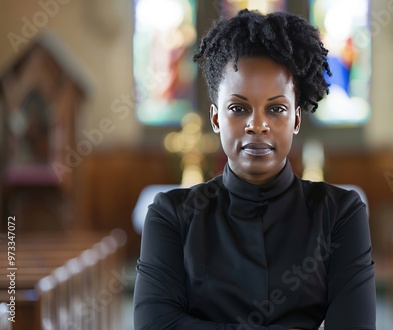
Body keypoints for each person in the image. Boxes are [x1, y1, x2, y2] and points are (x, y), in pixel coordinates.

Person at [134, 9, 376, 330]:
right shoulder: (172, 215)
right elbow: (155, 326)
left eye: (276, 109)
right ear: (216, 118)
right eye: (238, 108)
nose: (257, 125)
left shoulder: (340, 213)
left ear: (297, 119)